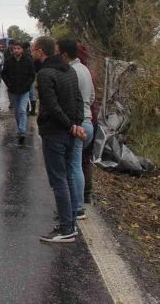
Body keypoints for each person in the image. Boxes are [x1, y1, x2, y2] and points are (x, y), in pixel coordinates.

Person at [31, 36, 85, 243]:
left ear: (40, 52)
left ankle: (65, 229)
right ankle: (70, 222)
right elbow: (78, 99)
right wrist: (76, 124)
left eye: (34, 49)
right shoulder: (69, 70)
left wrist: (70, 125)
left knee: (58, 180)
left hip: (55, 133)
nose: (32, 52)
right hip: (70, 132)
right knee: (68, 176)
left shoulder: (45, 74)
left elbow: (51, 106)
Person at [58, 38, 95, 221]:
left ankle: (78, 207)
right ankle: (80, 201)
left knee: (73, 166)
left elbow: (70, 100)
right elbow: (93, 97)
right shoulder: (86, 70)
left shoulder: (71, 71)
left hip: (78, 124)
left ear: (64, 54)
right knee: (79, 164)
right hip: (89, 121)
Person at [1, 41, 36, 143]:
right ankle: (20, 127)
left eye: (18, 48)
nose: (16, 50)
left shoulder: (28, 60)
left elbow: (32, 74)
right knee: (17, 111)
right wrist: (8, 84)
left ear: (22, 49)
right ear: (12, 50)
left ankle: (22, 131)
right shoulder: (8, 61)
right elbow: (3, 74)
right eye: (14, 48)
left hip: (24, 90)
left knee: (22, 110)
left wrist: (28, 84)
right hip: (13, 91)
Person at [77, 42, 98, 205]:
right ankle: (86, 194)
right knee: (86, 159)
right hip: (92, 118)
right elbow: (92, 98)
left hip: (81, 119)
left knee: (75, 160)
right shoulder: (89, 72)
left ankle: (79, 198)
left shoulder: (75, 72)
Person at [22, 42, 37, 115]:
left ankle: (27, 110)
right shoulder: (31, 56)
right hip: (31, 77)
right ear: (28, 47)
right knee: (32, 94)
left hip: (24, 78)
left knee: (25, 94)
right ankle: (33, 110)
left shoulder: (22, 55)